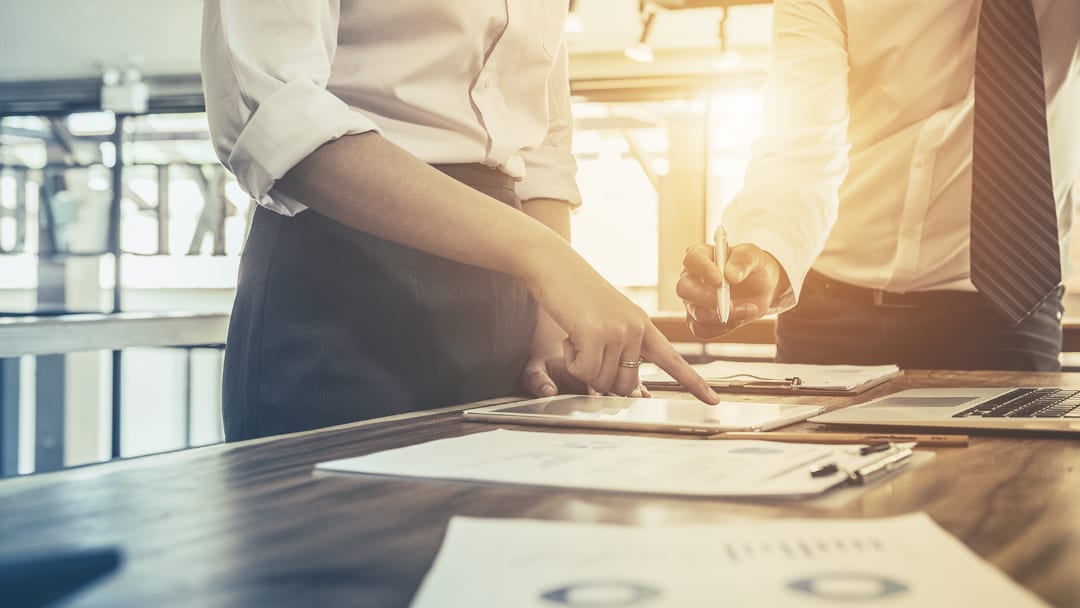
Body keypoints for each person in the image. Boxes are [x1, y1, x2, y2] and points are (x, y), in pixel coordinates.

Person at [201, 1, 718, 441]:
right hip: (347, 277)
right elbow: (272, 111)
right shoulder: (530, 254)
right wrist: (545, 259)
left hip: (507, 294)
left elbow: (543, 143)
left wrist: (548, 318)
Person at [678, 0, 1080, 371]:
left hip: (1007, 310)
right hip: (828, 310)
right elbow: (801, 143)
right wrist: (769, 249)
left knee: (1022, 451)